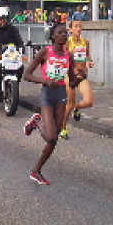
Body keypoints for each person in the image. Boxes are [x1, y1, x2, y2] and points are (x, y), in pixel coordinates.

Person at [22, 23, 79, 184]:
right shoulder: (45, 52)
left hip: (61, 94)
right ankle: (37, 122)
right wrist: (46, 81)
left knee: (54, 139)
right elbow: (27, 75)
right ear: (53, 36)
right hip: (47, 93)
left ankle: (36, 171)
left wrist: (79, 78)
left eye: (65, 33)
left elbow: (72, 82)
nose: (64, 35)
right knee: (51, 136)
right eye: (60, 33)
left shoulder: (69, 56)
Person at [61, 20, 95, 140]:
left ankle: (77, 108)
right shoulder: (68, 42)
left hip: (82, 75)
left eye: (80, 26)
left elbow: (87, 54)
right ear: (70, 29)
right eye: (75, 26)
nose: (78, 28)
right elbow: (62, 57)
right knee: (69, 104)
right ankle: (63, 128)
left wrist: (90, 62)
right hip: (70, 75)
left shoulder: (86, 42)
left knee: (89, 101)